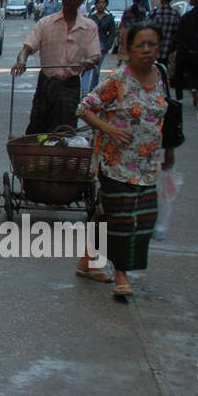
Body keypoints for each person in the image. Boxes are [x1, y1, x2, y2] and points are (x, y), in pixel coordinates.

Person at [74, 23, 174, 297]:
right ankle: (121, 275)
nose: (146, 50)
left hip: (148, 163)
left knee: (122, 217)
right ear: (128, 50)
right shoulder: (118, 79)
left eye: (152, 44)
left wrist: (170, 152)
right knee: (125, 221)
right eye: (140, 45)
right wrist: (109, 129)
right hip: (115, 163)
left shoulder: (162, 75)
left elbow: (167, 116)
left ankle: (88, 262)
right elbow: (84, 108)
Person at [11, 0, 102, 135]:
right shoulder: (45, 23)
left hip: (70, 85)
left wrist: (87, 62)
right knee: (37, 130)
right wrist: (21, 62)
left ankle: (61, 158)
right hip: (47, 84)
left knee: (66, 132)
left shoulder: (89, 27)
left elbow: (95, 56)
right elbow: (27, 47)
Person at [83, 0, 118, 93]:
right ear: (96, 4)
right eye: (99, 3)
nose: (101, 5)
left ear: (106, 4)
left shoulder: (109, 18)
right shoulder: (91, 17)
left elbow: (112, 33)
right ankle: (84, 91)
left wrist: (107, 46)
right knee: (87, 67)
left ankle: (93, 90)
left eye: (103, 3)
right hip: (89, 45)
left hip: (101, 45)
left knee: (96, 70)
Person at [147, 0, 181, 71]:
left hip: (151, 52)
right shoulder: (175, 15)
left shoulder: (154, 13)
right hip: (166, 53)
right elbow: (177, 35)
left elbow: (144, 30)